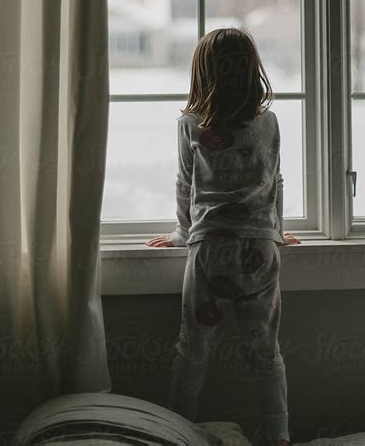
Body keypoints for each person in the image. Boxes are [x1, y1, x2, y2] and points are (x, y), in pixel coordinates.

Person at [146, 27, 301, 446]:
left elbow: (185, 184)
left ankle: (176, 431)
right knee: (265, 351)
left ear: (203, 73)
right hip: (260, 249)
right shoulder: (268, 122)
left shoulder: (191, 124)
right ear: (252, 71)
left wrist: (182, 234)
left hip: (211, 247)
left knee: (193, 347)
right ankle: (279, 434)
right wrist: (278, 233)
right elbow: (275, 183)